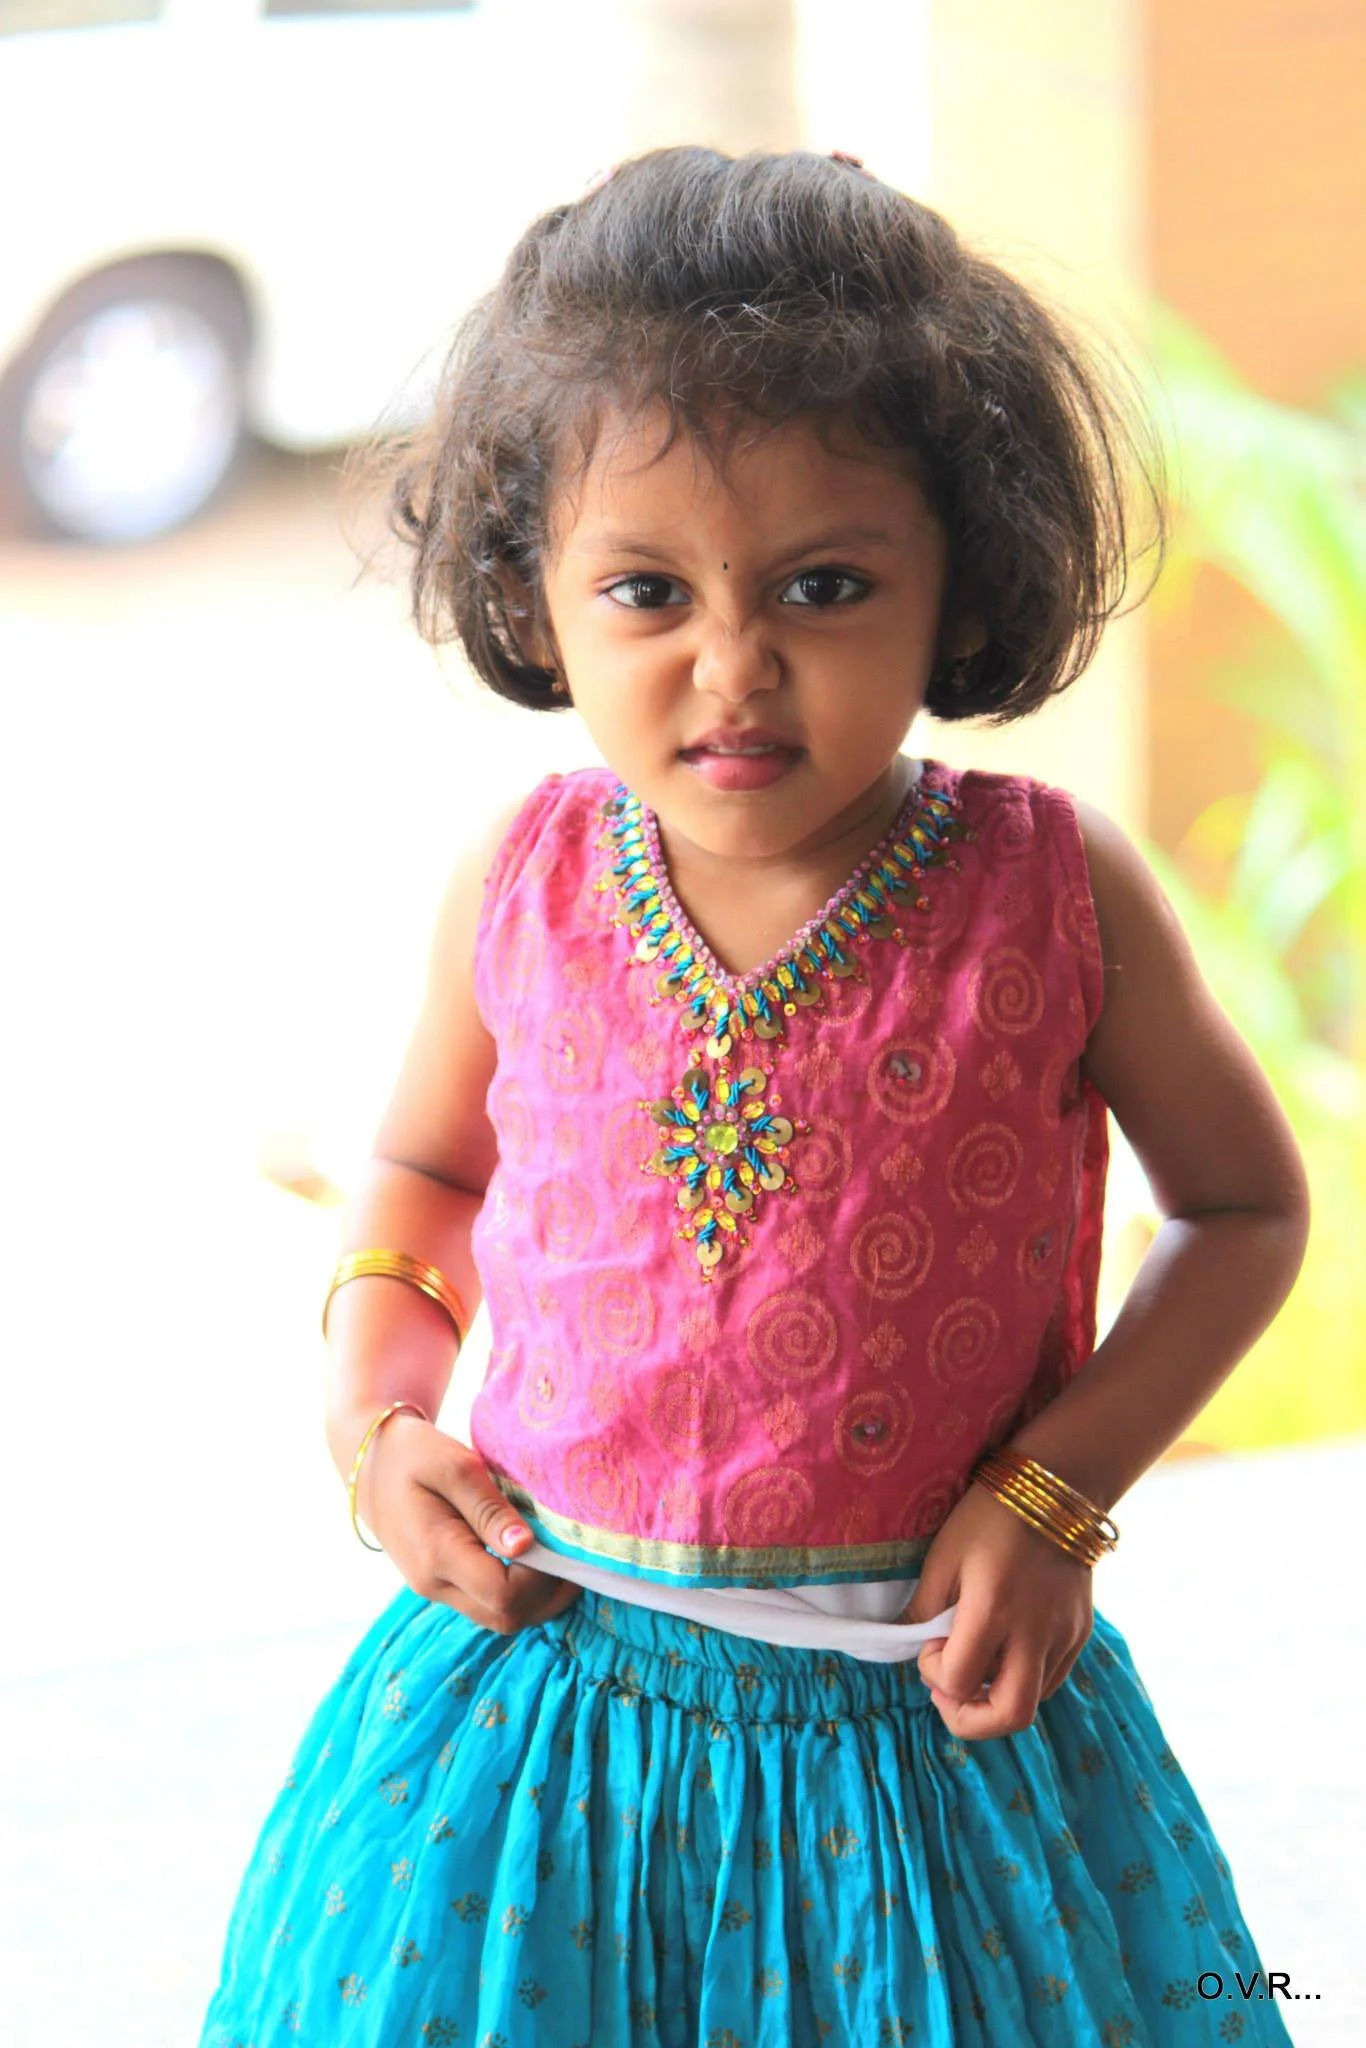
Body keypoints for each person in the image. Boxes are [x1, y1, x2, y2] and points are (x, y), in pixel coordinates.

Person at [201, 148, 1309, 2047]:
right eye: (645, 590)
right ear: (533, 596)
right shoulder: (526, 879)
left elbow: (1244, 1209)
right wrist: (375, 1414)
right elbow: (420, 1165)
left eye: (824, 585)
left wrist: (1057, 1497)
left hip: (930, 1734)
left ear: (959, 577)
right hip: (539, 1729)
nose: (734, 667)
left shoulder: (1048, 891)